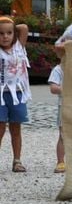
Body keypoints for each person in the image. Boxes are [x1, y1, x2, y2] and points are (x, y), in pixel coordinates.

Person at [0, 17, 30, 172]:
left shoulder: (19, 46)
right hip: (0, 95)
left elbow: (23, 27)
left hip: (17, 94)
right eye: (1, 33)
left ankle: (17, 160)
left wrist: (8, 22)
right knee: (0, 128)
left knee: (16, 129)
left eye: (9, 33)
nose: (5, 36)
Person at [48, 62, 65, 173]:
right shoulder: (58, 69)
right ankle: (60, 161)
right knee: (63, 135)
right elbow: (53, 88)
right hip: (65, 105)